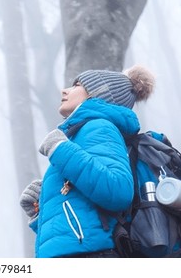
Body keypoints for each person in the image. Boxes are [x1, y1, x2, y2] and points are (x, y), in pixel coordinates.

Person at [19, 65, 155, 258]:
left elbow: (118, 189)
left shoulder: (99, 127)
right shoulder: (80, 135)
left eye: (76, 85)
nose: (65, 90)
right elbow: (81, 218)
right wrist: (38, 210)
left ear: (97, 94)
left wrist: (60, 149)